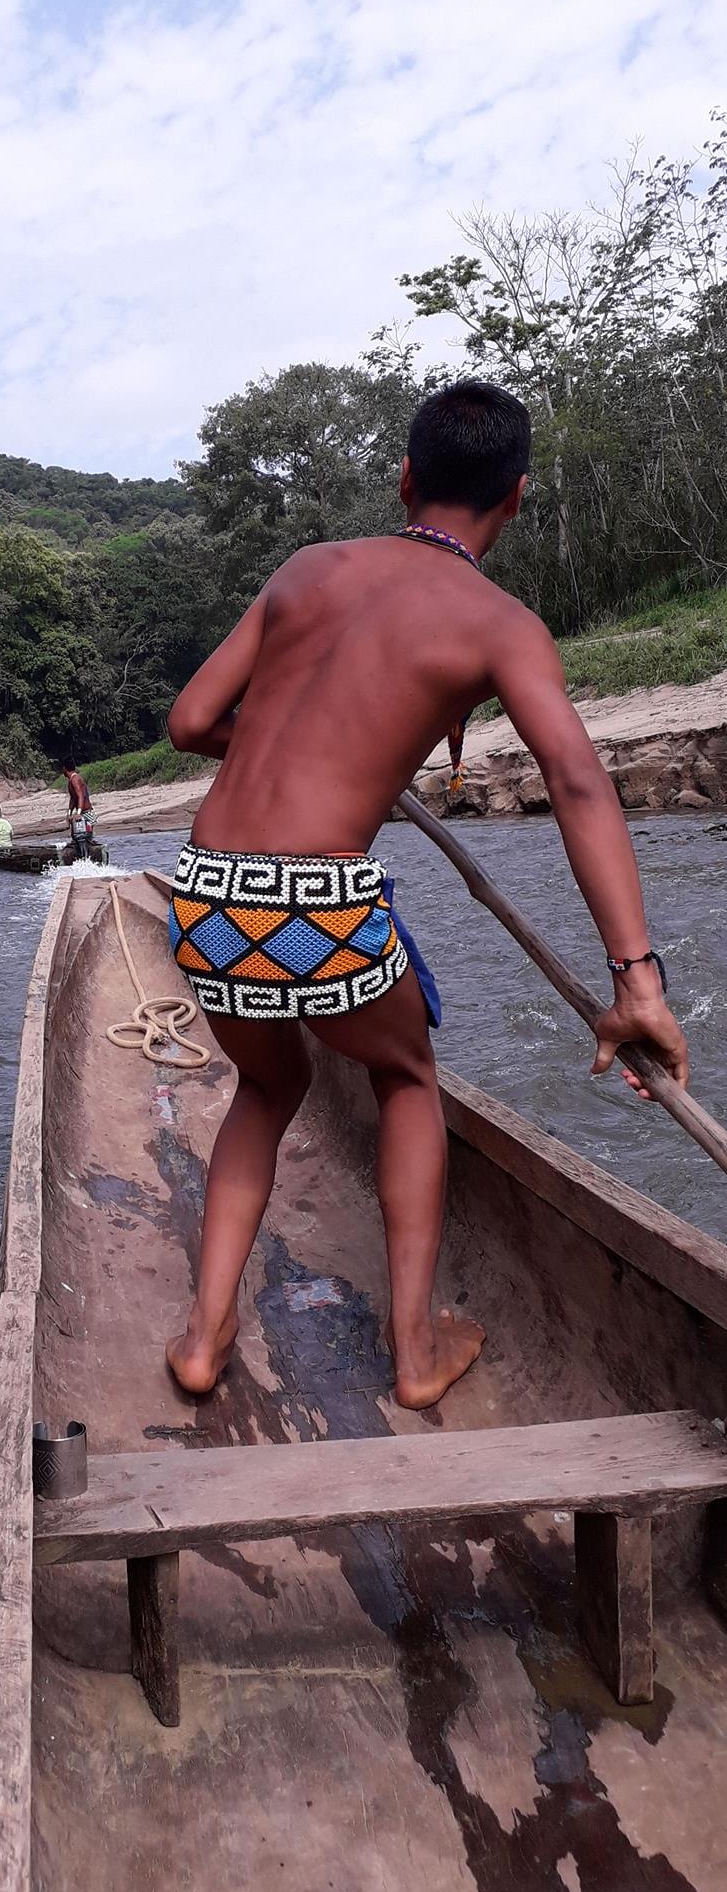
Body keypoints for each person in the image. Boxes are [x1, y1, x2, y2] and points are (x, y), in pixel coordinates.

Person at [164, 379, 688, 1411]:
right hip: (316, 897)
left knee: (265, 1091)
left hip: (206, 884)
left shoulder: (307, 570)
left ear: (405, 478)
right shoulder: (499, 624)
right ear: (518, 497)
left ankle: (200, 1334)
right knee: (405, 1075)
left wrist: (307, 748)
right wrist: (636, 982)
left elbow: (190, 720)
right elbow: (578, 782)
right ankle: (413, 1352)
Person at [59, 759, 94, 860]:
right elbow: (73, 799)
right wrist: (69, 813)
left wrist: (78, 813)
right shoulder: (71, 781)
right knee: (77, 839)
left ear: (65, 769)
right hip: (84, 812)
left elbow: (80, 796)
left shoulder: (75, 779)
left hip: (87, 813)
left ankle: (86, 862)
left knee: (83, 841)